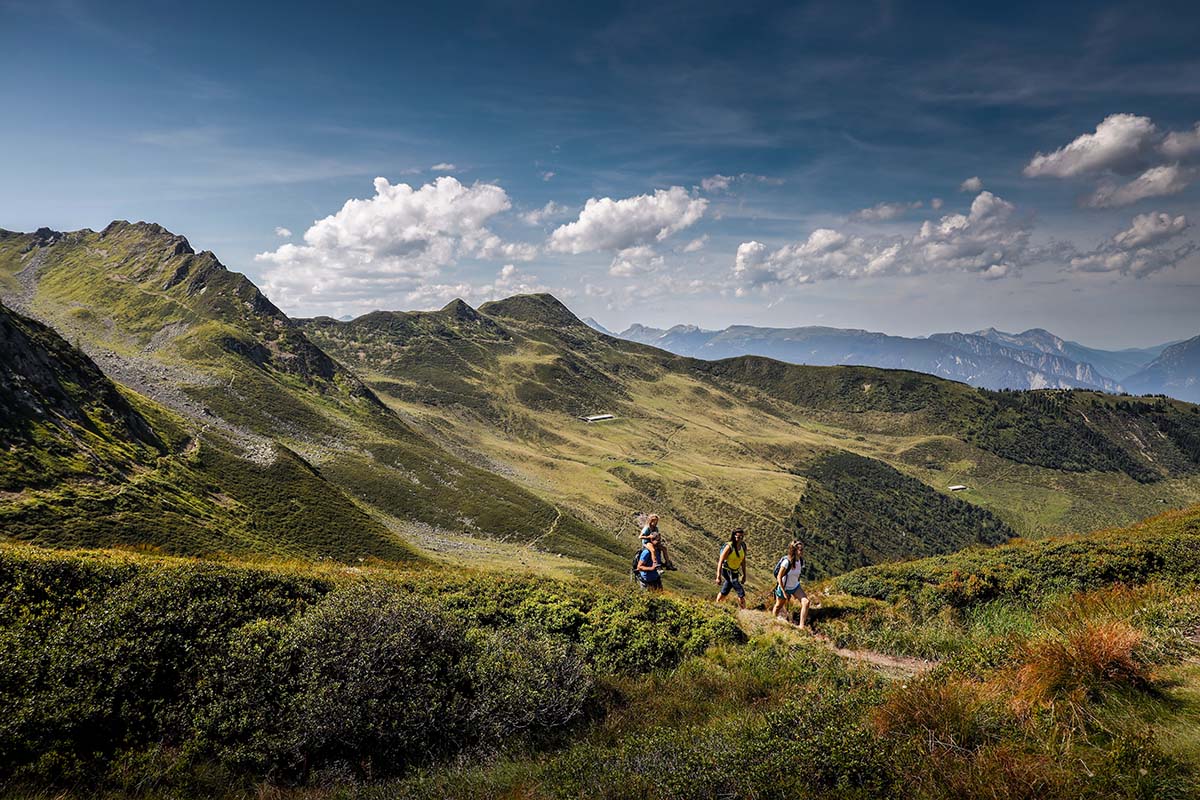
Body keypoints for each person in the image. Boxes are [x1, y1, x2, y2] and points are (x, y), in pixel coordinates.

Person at [771, 540, 810, 628]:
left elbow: (798, 575)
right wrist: (784, 591)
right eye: (800, 549)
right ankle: (772, 621)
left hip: (795, 586)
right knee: (778, 606)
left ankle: (801, 626)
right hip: (784, 587)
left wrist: (796, 592)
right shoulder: (786, 562)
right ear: (794, 550)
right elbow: (779, 577)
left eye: (802, 549)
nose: (802, 551)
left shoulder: (800, 561)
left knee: (806, 602)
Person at [714, 528, 748, 608]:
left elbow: (743, 561)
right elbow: (720, 561)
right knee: (739, 590)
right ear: (734, 536)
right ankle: (744, 610)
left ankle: (717, 604)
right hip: (726, 570)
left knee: (726, 589)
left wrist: (744, 575)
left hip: (735, 571)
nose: (740, 539)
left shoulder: (743, 546)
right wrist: (718, 576)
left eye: (742, 537)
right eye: (738, 537)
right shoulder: (729, 547)